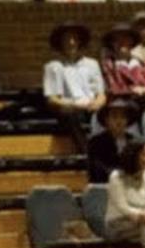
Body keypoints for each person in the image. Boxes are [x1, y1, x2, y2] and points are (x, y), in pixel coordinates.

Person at [43, 21, 105, 152]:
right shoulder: (53, 66)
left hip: (91, 107)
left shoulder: (92, 64)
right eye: (66, 39)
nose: (71, 42)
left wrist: (97, 104)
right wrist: (74, 105)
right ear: (60, 43)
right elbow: (52, 99)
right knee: (71, 116)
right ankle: (86, 152)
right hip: (69, 108)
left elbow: (101, 94)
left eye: (74, 39)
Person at [105, 139, 145, 248]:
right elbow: (123, 207)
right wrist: (142, 216)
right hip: (118, 223)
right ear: (133, 156)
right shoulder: (116, 177)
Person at [102, 23, 145, 113]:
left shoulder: (141, 64)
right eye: (117, 39)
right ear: (112, 44)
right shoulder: (109, 65)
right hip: (122, 109)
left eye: (126, 39)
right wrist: (134, 90)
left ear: (132, 42)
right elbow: (113, 89)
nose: (122, 42)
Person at [87, 99, 139, 185]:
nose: (119, 121)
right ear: (106, 120)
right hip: (106, 186)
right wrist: (121, 176)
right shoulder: (96, 142)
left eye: (123, 117)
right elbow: (98, 169)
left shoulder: (134, 141)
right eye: (114, 116)